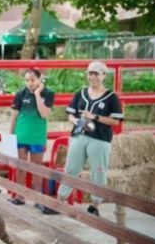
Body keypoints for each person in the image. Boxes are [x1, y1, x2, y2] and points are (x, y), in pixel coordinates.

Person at [45, 61, 124, 216]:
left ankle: (95, 206)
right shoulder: (80, 93)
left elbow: (115, 121)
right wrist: (74, 120)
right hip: (79, 135)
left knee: (98, 171)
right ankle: (60, 202)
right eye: (90, 73)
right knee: (71, 168)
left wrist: (94, 117)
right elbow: (70, 114)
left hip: (100, 139)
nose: (92, 77)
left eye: (96, 73)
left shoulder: (111, 98)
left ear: (104, 75)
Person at [8, 69, 54, 206]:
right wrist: (11, 136)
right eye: (27, 80)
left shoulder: (48, 94)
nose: (30, 83)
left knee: (36, 169)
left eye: (33, 80)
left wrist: (38, 94)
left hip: (37, 137)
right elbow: (14, 116)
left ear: (40, 79)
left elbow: (44, 114)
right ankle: (19, 197)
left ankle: (38, 199)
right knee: (21, 168)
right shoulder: (20, 94)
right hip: (21, 135)